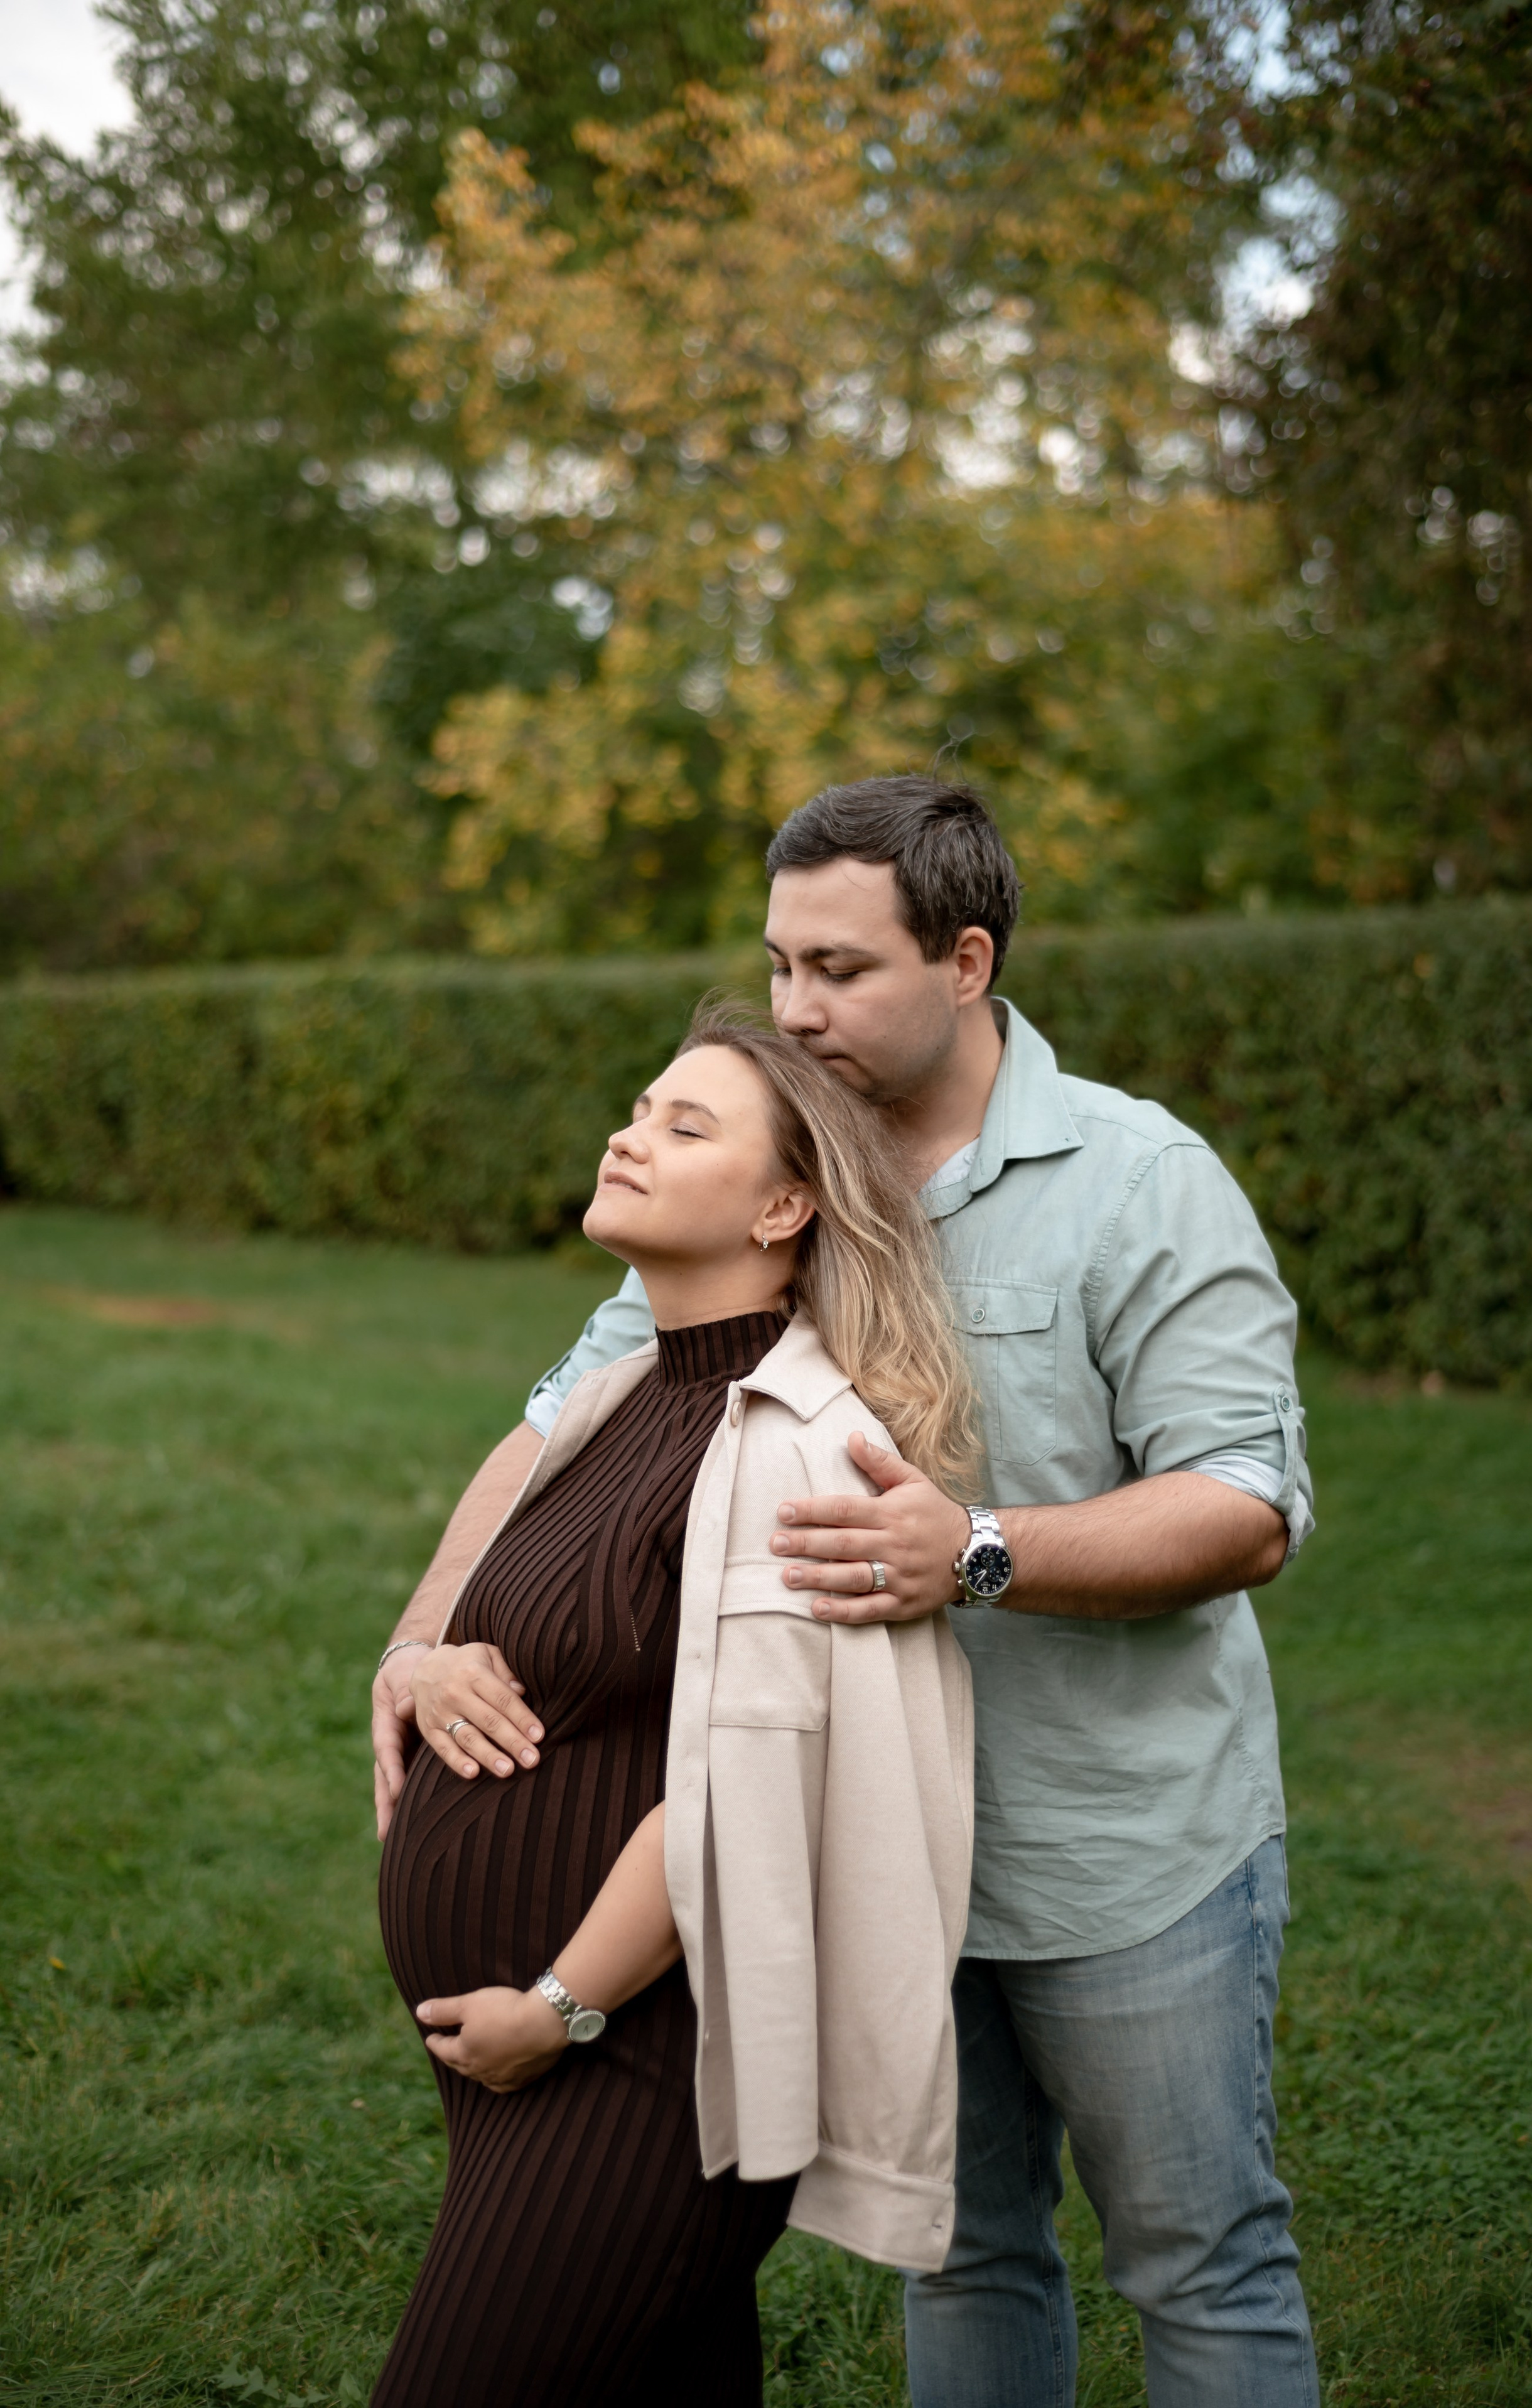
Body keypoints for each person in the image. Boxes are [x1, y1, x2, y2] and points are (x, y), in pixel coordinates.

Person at [373, 774, 1322, 2408]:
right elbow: (562, 1416)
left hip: (1121, 1845)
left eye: (838, 969)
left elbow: (1246, 1508)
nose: (794, 1010)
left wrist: (973, 1546)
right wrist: (422, 1629)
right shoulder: (778, 1169)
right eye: (780, 962)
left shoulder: (1141, 1182)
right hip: (880, 1849)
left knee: (1199, 2257)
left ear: (964, 959)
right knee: (964, 2254)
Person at [370, 1003, 976, 2408]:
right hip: (520, 2055)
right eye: (637, 1109)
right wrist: (437, 1650)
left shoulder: (799, 1445)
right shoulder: (626, 1391)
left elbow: (735, 1783)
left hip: (641, 2070)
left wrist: (560, 2006)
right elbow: (560, 1632)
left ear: (781, 1205)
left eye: (681, 1125)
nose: (627, 1134)